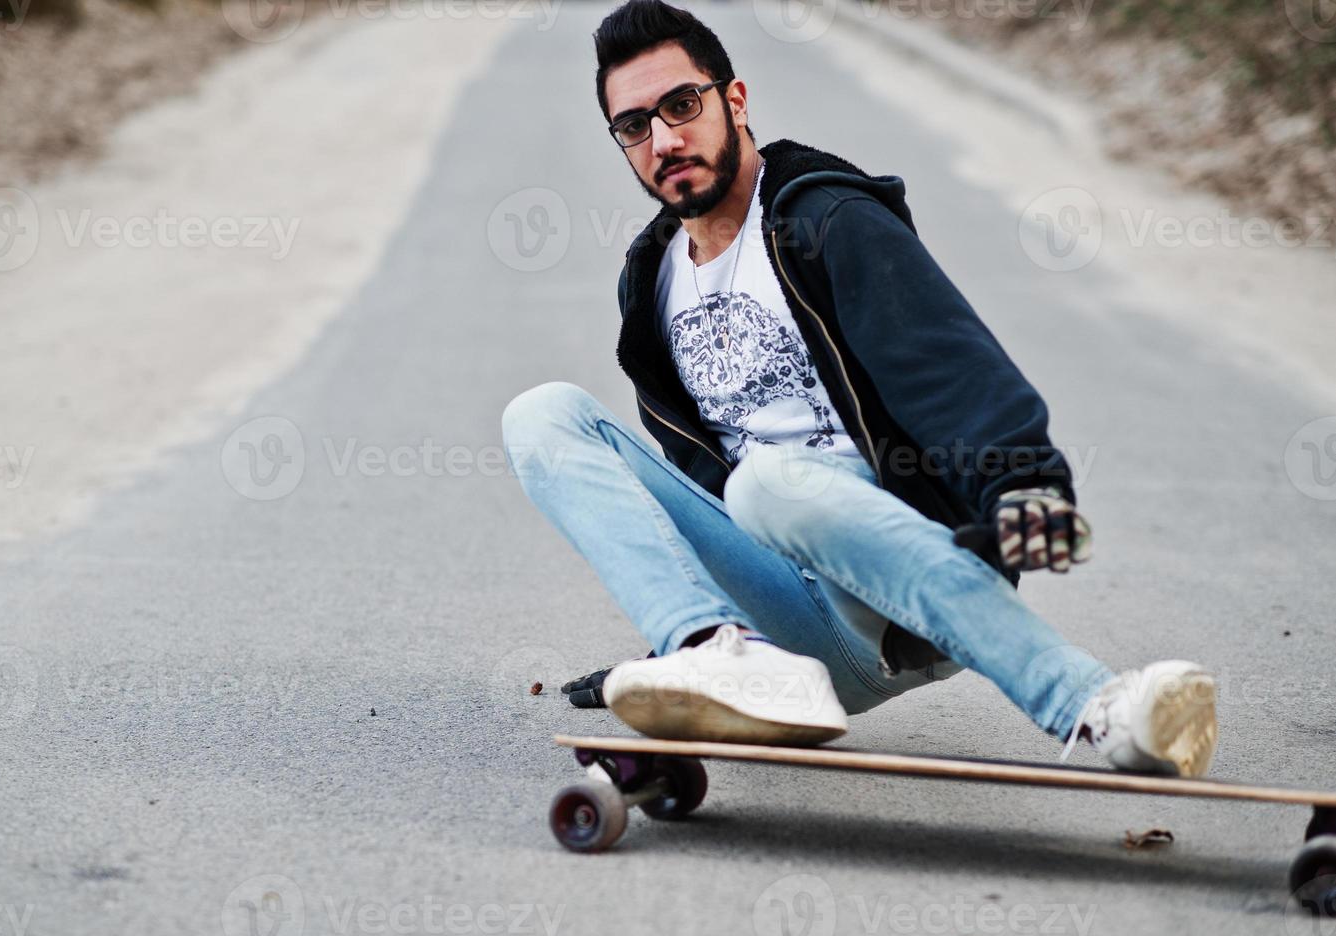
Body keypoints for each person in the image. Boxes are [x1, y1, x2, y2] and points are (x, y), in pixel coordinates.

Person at [501, 0, 1218, 776]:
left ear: (732, 100)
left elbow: (947, 364)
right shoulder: (651, 279)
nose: (664, 139)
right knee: (542, 415)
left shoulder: (828, 219)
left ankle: (1090, 705)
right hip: (791, 622)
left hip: (901, 586)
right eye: (634, 125)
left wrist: (1022, 486)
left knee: (769, 484)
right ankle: (710, 651)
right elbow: (695, 479)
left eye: (681, 105)